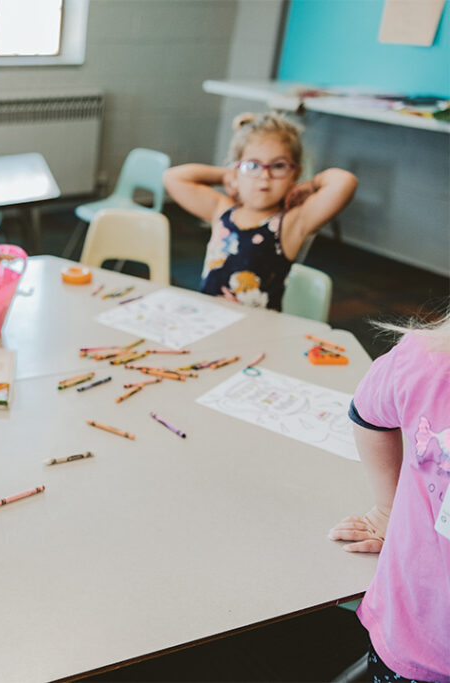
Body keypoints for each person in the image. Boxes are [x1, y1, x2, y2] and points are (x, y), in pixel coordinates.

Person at [328, 311, 450, 682]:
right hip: (419, 640)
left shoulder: (429, 356)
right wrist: (388, 508)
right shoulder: (428, 358)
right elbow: (368, 413)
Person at [163, 112, 357, 310]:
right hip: (210, 318)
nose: (265, 176)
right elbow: (173, 177)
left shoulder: (291, 224)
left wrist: (311, 184)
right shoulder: (222, 211)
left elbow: (345, 182)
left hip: (259, 326)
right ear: (236, 171)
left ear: (295, 174)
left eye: (278, 166)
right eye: (252, 165)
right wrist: (225, 176)